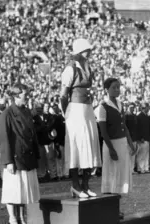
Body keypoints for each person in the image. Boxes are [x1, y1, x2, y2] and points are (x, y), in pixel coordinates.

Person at [60, 38, 101, 198]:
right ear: (78, 52)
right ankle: (75, 185)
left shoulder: (87, 67)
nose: (88, 53)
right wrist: (67, 113)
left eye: (89, 51)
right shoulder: (70, 69)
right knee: (77, 147)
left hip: (87, 110)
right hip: (75, 110)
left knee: (89, 145)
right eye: (85, 51)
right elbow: (63, 96)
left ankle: (85, 184)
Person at [0, 88, 40, 224]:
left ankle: (21, 219)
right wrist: (8, 160)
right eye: (24, 95)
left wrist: (36, 155)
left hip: (27, 157)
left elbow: (32, 134)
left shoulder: (27, 112)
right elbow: (4, 139)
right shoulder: (6, 114)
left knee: (23, 191)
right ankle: (13, 220)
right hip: (15, 157)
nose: (26, 98)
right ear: (15, 97)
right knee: (13, 190)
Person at [97, 78, 136, 219]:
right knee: (111, 176)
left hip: (122, 143)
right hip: (111, 144)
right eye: (114, 87)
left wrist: (130, 143)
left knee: (120, 176)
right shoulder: (102, 106)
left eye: (118, 87)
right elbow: (103, 131)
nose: (117, 90)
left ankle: (117, 209)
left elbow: (124, 126)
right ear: (106, 89)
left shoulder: (120, 104)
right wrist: (111, 149)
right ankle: (109, 210)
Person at [135, 103, 150, 173]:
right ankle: (140, 168)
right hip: (142, 138)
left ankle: (146, 167)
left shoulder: (146, 116)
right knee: (141, 154)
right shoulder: (139, 117)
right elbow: (138, 128)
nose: (147, 109)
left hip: (147, 137)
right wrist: (140, 137)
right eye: (146, 108)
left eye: (147, 108)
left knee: (146, 154)